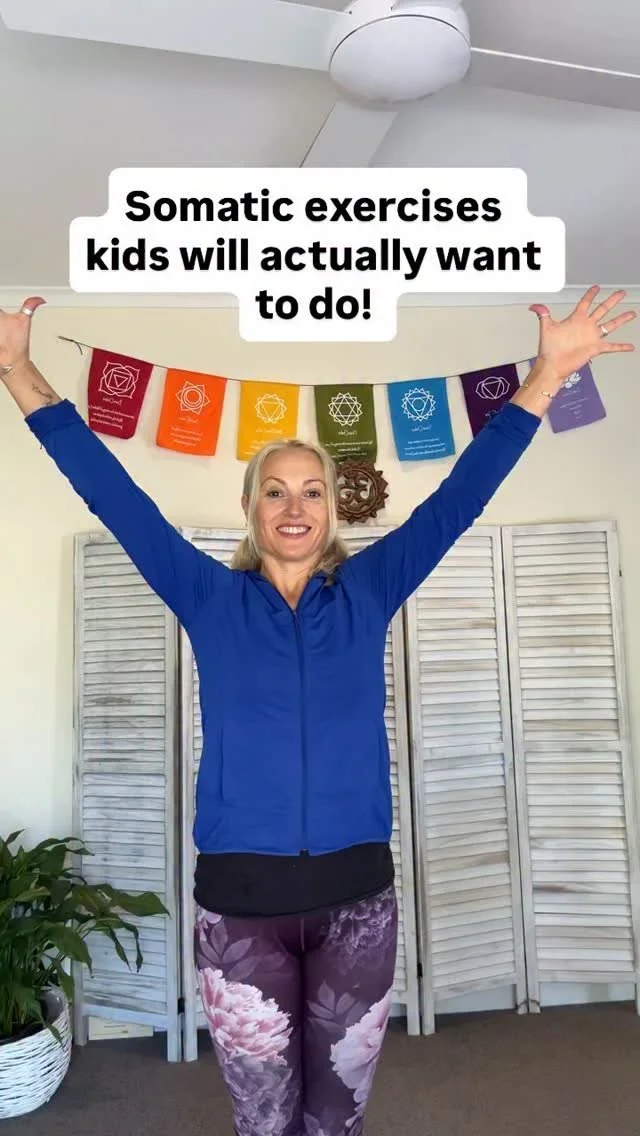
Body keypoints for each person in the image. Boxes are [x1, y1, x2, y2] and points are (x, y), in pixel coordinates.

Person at [0, 287, 634, 1136]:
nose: (294, 508)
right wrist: (18, 368)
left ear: (333, 509)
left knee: (337, 1116)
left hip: (355, 901)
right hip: (240, 902)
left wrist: (548, 375)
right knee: (265, 1118)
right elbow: (111, 492)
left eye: (311, 491)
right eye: (275, 491)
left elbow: (461, 497)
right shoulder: (208, 596)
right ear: (251, 508)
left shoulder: (369, 590)